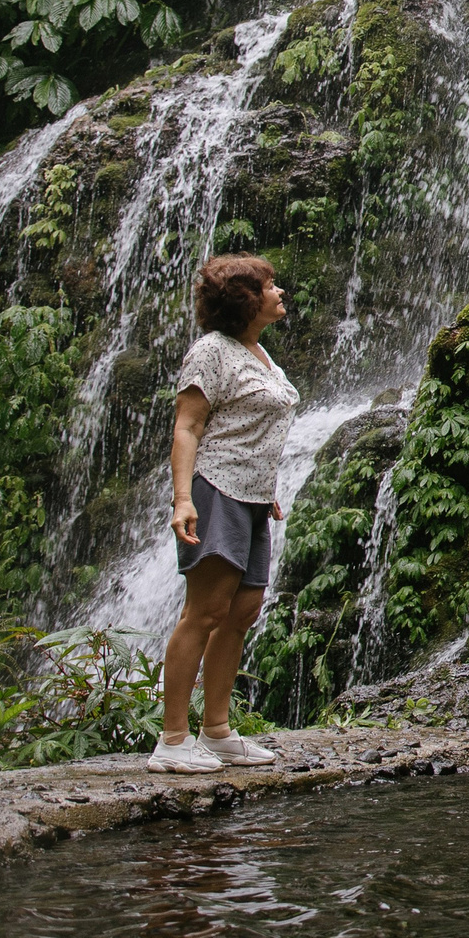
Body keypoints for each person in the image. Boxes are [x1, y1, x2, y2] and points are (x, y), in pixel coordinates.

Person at [148, 254, 296, 772]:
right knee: (205, 612)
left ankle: (216, 731)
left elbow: (253, 430)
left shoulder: (258, 353)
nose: (279, 292)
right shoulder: (211, 352)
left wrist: (269, 485)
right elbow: (188, 427)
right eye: (270, 285)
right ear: (245, 299)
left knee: (242, 611)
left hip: (255, 498)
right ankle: (171, 741)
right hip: (216, 492)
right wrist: (183, 499)